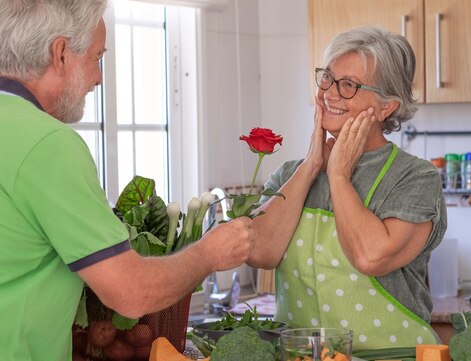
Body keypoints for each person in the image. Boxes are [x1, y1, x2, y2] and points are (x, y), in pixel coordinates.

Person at [0, 1, 255, 360]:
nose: (99, 78)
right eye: (96, 58)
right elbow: (131, 292)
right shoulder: (46, 143)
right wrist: (210, 252)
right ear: (59, 53)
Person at [248, 25, 447, 349]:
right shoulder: (289, 174)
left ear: (387, 106)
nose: (330, 93)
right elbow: (258, 252)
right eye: (327, 77)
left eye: (349, 85)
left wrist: (338, 175)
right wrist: (312, 165)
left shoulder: (414, 178)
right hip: (303, 357)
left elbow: (371, 257)